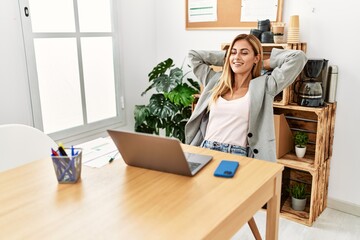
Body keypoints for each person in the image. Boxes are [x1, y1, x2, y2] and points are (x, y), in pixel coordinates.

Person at [185, 33, 307, 162]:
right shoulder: (215, 81)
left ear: (255, 58)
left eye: (244, 53)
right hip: (206, 150)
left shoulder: (265, 86)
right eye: (233, 52)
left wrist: (264, 63)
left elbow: (298, 57)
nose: (237, 56)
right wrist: (229, 58)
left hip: (237, 156)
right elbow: (193, 55)